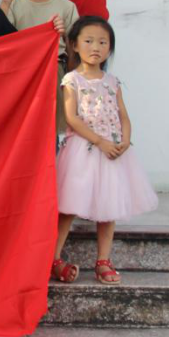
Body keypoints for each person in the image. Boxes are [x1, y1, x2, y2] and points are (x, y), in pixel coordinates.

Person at [50, 17, 158, 285]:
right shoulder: (72, 79)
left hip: (112, 152)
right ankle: (53, 258)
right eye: (88, 41)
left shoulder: (112, 81)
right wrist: (99, 141)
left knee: (110, 206)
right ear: (74, 45)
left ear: (110, 48)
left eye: (102, 42)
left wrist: (125, 141)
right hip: (84, 149)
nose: (95, 47)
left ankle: (103, 260)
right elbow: (72, 118)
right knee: (68, 206)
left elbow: (124, 116)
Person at [0, 0, 79, 138]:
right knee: (23, 130)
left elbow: (76, 49)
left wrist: (63, 34)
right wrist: (5, 2)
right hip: (21, 73)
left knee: (51, 132)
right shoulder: (15, 3)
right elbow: (0, 37)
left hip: (54, 73)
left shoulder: (67, 6)